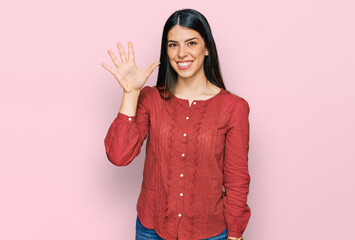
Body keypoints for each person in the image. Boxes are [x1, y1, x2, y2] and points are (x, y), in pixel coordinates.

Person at [102, 8, 251, 240]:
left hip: (209, 233)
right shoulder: (151, 99)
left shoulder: (234, 108)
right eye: (173, 45)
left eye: (191, 43)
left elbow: (236, 179)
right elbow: (119, 155)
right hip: (151, 229)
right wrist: (131, 93)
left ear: (207, 48)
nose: (181, 53)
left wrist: (235, 234)